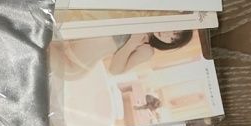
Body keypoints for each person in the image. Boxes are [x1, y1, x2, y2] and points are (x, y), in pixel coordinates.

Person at [53, 30, 194, 79]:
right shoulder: (142, 17)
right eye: (173, 30)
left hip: (72, 65)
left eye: (172, 39)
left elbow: (115, 70)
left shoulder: (146, 49)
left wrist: (131, 43)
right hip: (66, 41)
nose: (167, 35)